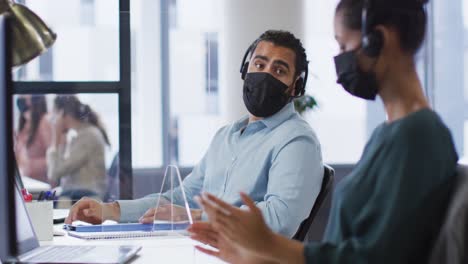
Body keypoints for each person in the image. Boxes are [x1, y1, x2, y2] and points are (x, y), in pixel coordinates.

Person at [189, 0, 459, 263]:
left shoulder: (417, 137)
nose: (341, 58)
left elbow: (373, 257)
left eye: (343, 44)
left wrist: (268, 244)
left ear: (377, 39)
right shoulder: (389, 134)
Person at [65, 30, 324, 238]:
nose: (265, 74)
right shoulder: (226, 136)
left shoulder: (296, 140)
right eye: (259, 64)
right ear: (246, 71)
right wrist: (111, 210)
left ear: (294, 87)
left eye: (279, 70)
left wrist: (198, 216)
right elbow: (179, 199)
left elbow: (281, 219)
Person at [47, 95, 110, 200]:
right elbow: (56, 173)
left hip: (86, 195)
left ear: (62, 113)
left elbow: (55, 174)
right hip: (78, 193)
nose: (52, 121)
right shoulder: (81, 134)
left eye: (54, 115)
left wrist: (56, 139)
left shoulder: (88, 136)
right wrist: (62, 142)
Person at [14, 95, 52, 183]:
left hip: (43, 186)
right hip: (27, 183)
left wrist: (30, 165)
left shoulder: (45, 122)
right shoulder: (23, 125)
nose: (22, 104)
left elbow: (54, 159)